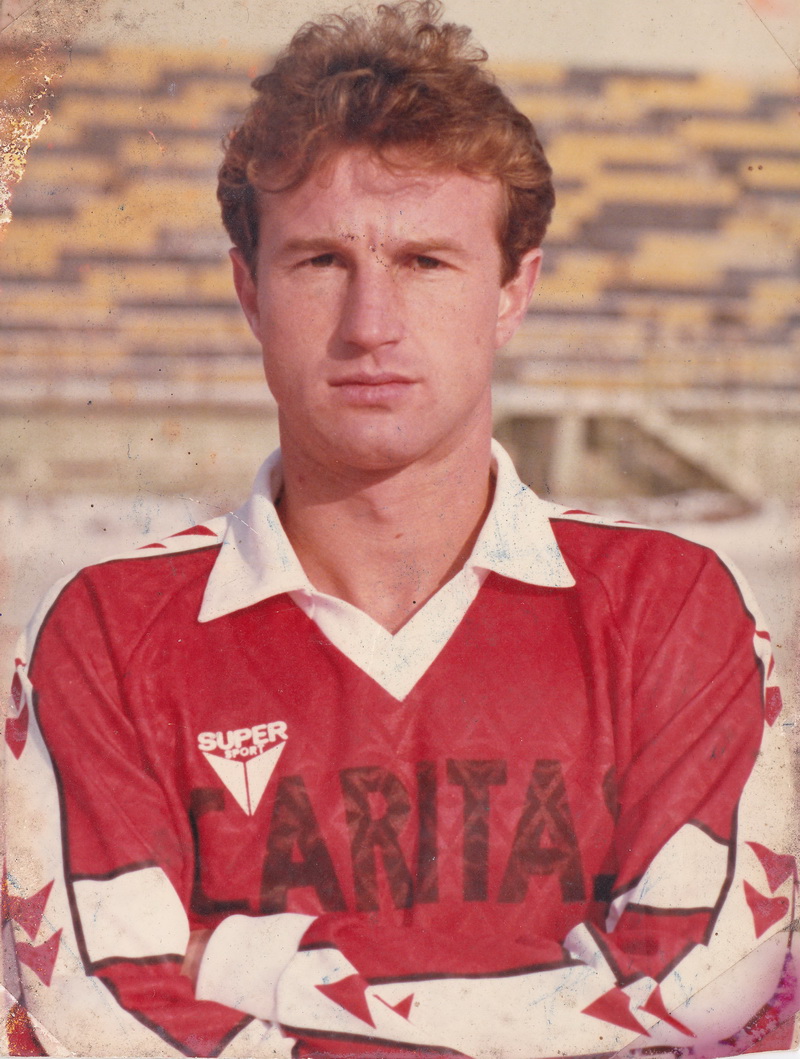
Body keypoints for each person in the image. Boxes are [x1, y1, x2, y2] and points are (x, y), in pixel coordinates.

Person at [3, 2, 797, 1057]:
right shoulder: (106, 631)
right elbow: (104, 1012)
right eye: (319, 262)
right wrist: (540, 991)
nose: (369, 324)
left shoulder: (670, 604)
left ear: (512, 291)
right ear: (248, 290)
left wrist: (244, 967)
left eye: (425, 262)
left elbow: (702, 984)